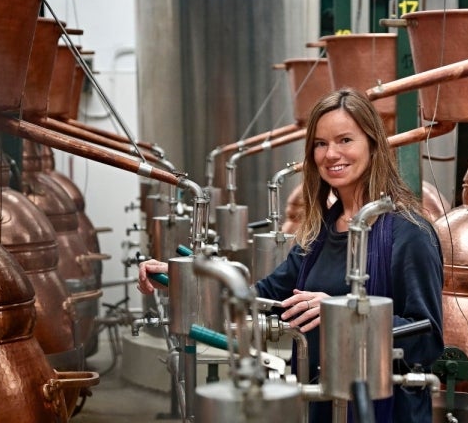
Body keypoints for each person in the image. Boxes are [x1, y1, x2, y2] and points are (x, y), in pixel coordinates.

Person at [138, 87, 444, 423]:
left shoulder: (409, 232)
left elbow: (427, 340)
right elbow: (260, 295)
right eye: (320, 143)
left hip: (382, 410)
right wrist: (182, 278)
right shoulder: (321, 232)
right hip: (321, 405)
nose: (331, 154)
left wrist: (342, 316)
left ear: (373, 145)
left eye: (345, 140)